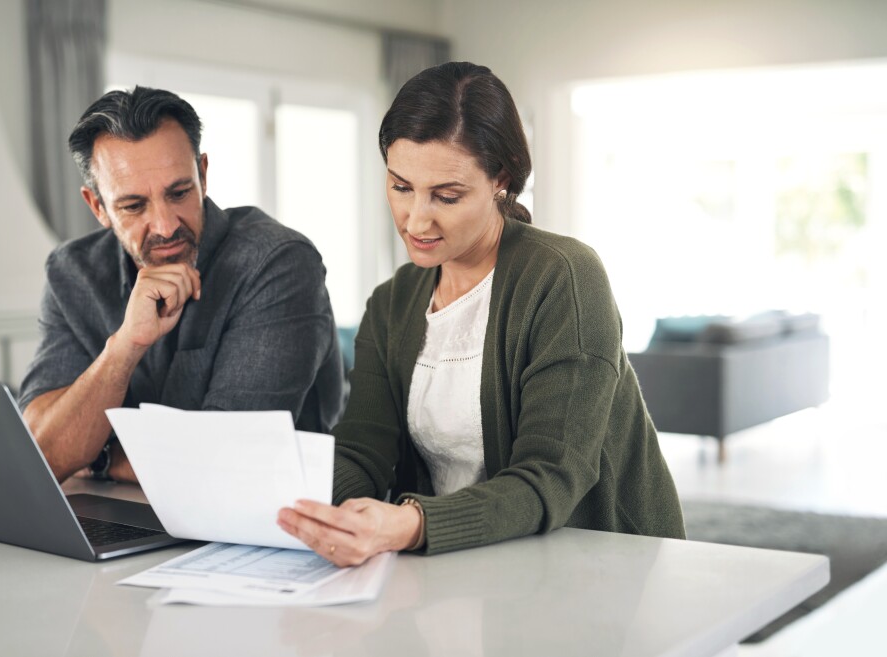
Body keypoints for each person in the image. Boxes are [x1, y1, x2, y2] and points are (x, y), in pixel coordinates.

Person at [278, 62, 684, 566]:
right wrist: (305, 509)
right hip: (464, 563)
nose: (416, 219)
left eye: (446, 196)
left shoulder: (563, 278)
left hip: (598, 563)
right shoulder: (392, 302)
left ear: (501, 179)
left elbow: (549, 477)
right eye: (401, 187)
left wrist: (411, 522)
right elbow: (363, 450)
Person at [19, 87, 343, 483]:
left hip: (267, 525)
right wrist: (125, 346)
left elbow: (228, 460)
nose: (166, 225)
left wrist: (100, 458)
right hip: (125, 514)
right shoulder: (72, 273)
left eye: (179, 193)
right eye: (134, 205)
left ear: (202, 174)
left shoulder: (277, 262)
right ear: (97, 206)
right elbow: (42, 453)